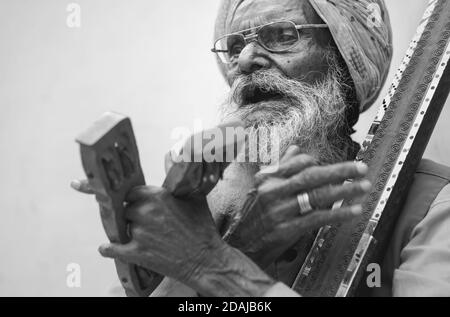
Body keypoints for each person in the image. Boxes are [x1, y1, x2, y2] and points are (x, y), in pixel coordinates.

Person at [72, 0, 450, 297]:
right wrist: (241, 246)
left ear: (343, 61)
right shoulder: (194, 203)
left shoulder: (432, 204)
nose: (247, 60)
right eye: (235, 46)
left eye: (282, 34)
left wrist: (214, 263)